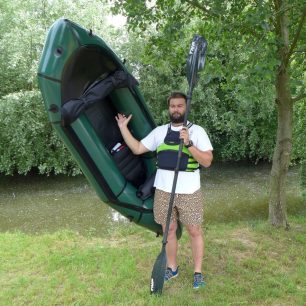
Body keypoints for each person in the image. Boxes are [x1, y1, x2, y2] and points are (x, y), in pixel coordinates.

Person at [115, 91, 213, 289]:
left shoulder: (197, 131)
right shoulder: (159, 132)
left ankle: (197, 273)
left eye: (180, 106)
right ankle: (172, 268)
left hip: (189, 191)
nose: (176, 109)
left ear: (186, 108)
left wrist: (189, 144)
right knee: (168, 230)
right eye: (172, 106)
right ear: (169, 109)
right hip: (163, 191)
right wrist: (123, 128)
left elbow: (207, 161)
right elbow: (137, 148)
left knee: (194, 230)